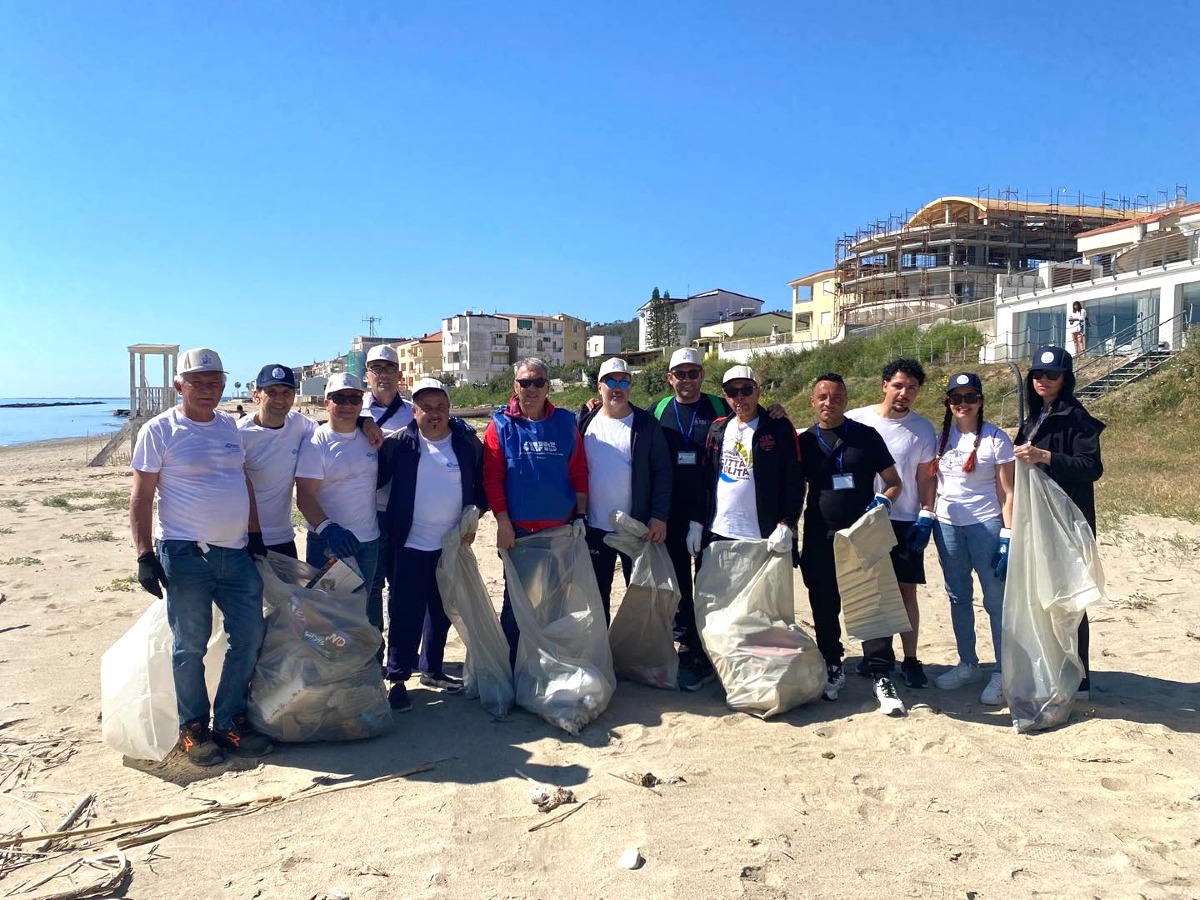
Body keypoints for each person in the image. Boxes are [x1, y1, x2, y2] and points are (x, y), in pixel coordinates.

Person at [129, 347, 272, 766]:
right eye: (199, 382)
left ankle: (229, 720)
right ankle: (193, 728)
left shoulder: (229, 426)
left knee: (249, 636)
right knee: (189, 646)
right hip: (185, 553)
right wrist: (143, 554)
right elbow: (141, 497)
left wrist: (255, 532)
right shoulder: (159, 430)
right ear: (180, 386)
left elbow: (240, 480)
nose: (208, 390)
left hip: (236, 554)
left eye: (215, 382)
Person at [797, 373, 906, 715]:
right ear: (813, 402)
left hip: (861, 534)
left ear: (846, 400)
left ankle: (881, 675)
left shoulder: (865, 436)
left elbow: (893, 482)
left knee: (871, 604)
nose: (830, 403)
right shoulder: (804, 442)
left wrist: (884, 502)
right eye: (823, 397)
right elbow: (788, 486)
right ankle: (833, 664)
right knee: (824, 604)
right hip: (819, 536)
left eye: (837, 397)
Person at [376, 378, 486, 712]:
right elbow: (371, 481)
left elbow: (481, 486)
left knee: (442, 612)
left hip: (451, 547)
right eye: (426, 408)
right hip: (409, 544)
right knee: (404, 612)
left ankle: (433, 669)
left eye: (440, 407)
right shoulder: (399, 444)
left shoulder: (466, 444)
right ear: (414, 410)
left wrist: (474, 518)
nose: (434, 414)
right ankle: (397, 678)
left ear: (449, 409)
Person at [482, 358, 589, 667]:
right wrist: (502, 521)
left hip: (560, 531)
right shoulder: (500, 425)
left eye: (538, 382)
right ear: (515, 386)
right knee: (517, 604)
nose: (531, 388)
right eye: (525, 382)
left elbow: (578, 472)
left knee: (555, 603)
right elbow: (492, 477)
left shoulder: (565, 423)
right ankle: (513, 667)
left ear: (548, 386)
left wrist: (580, 516)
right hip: (518, 533)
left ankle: (549, 665)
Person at [1013, 345, 1104, 698]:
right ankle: (1051, 664)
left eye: (1051, 375)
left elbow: (1091, 468)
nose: (1043, 380)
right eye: (1037, 374)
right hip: (1037, 520)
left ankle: (1078, 676)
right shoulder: (1034, 418)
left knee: (1070, 598)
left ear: (1065, 379)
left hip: (1068, 520)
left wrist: (1045, 456)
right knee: (1043, 594)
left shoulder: (1076, 417)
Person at [846, 359, 938, 689]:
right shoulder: (857, 419)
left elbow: (926, 477)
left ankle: (911, 659)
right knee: (870, 592)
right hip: (865, 520)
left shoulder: (923, 428)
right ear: (884, 384)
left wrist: (927, 513)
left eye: (911, 388)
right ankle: (876, 658)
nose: (904, 393)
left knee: (905, 592)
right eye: (898, 385)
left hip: (905, 518)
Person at [928, 373, 1015, 706]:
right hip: (948, 525)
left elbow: (1008, 492)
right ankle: (967, 663)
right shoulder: (941, 438)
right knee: (958, 595)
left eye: (970, 397)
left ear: (980, 401)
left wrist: (1007, 534)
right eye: (956, 398)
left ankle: (1003, 671)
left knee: (995, 599)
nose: (963, 404)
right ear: (948, 403)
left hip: (986, 525)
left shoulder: (996, 439)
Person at [576, 358, 671, 623]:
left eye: (623, 381)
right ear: (599, 387)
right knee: (596, 596)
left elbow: (663, 472)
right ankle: (602, 654)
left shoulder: (646, 424)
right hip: (594, 527)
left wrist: (658, 516)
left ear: (630, 385)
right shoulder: (585, 422)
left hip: (636, 527)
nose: (617, 388)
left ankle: (635, 657)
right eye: (611, 381)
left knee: (640, 596)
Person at [295, 373, 381, 629]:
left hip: (368, 540)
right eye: (339, 398)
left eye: (354, 398)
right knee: (328, 617)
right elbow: (305, 497)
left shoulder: (371, 436)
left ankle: (371, 666)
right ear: (326, 403)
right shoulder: (316, 442)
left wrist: (367, 422)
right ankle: (332, 670)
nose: (347, 404)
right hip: (329, 543)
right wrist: (330, 529)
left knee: (367, 610)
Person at [360, 345, 415, 671]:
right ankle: (373, 658)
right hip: (367, 514)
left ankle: (399, 659)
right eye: (376, 369)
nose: (383, 374)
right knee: (372, 589)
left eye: (388, 368)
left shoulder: (413, 411)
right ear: (368, 376)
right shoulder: (353, 408)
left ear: (399, 374)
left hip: (405, 512)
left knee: (402, 588)